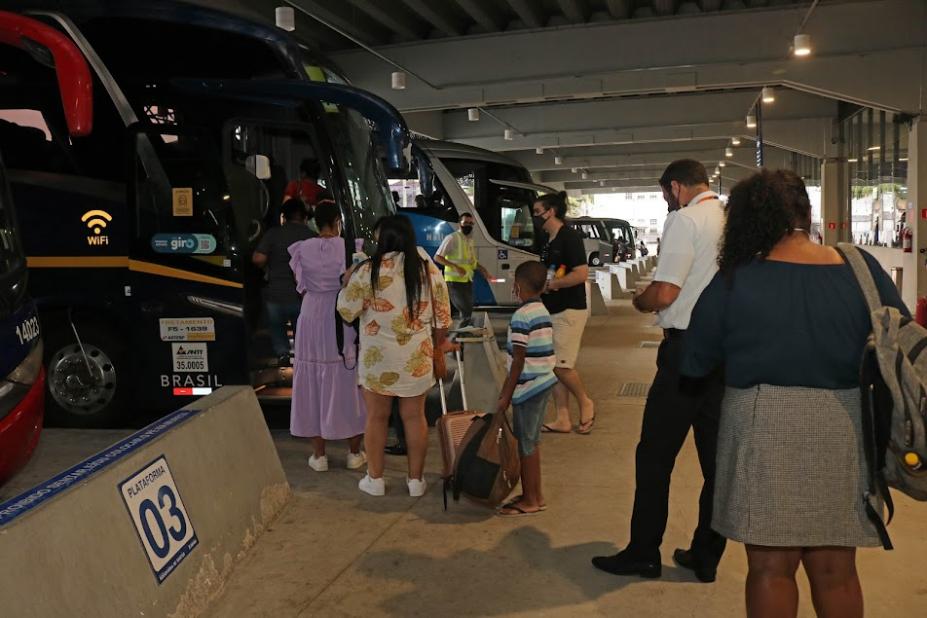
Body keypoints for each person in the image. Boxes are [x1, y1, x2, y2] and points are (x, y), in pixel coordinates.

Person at [681, 169, 907, 618]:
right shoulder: (861, 269)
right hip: (844, 426)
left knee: (769, 569)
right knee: (836, 570)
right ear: (806, 212)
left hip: (760, 425)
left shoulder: (735, 279)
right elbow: (899, 342)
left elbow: (694, 361)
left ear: (745, 220)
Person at [592, 159, 726, 582]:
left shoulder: (685, 220)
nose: (666, 202)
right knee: (716, 464)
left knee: (654, 457)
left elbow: (666, 292)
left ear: (675, 187)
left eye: (665, 195)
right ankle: (706, 555)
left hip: (685, 355)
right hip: (723, 356)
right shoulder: (727, 218)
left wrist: (639, 300)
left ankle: (643, 552)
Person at [337, 215, 455, 497]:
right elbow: (443, 320)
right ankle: (415, 481)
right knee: (414, 418)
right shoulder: (428, 269)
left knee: (376, 417)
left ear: (383, 239)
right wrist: (437, 349)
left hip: (378, 360)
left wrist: (347, 280)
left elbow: (346, 310)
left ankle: (375, 480)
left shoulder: (368, 270)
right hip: (416, 357)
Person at [288, 200, 366, 472]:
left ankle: (319, 456)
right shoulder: (350, 247)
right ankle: (354, 453)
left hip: (310, 315)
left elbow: (301, 287)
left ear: (314, 222)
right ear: (337, 221)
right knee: (346, 379)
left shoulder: (301, 249)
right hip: (340, 314)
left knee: (311, 382)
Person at [496, 261, 557, 517]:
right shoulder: (541, 310)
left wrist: (505, 396)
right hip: (542, 383)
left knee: (527, 446)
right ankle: (535, 494)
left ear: (518, 286)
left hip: (528, 388)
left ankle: (531, 499)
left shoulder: (522, 316)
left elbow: (518, 361)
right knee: (530, 443)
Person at [531, 192, 595, 435]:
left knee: (561, 365)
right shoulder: (548, 239)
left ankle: (585, 402)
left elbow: (580, 274)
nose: (535, 217)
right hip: (552, 308)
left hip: (569, 310)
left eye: (538, 212)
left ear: (551, 211)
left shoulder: (569, 237)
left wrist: (553, 285)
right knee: (553, 365)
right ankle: (563, 418)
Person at [253, 198, 316, 366]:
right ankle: (302, 356)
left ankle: (282, 354)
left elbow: (258, 258)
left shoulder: (274, 233)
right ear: (305, 217)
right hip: (302, 296)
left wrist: (268, 267)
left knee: (276, 326)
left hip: (276, 293)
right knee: (301, 328)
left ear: (284, 217)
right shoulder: (311, 237)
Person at [434, 212, 491, 327]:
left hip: (467, 281)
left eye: (471, 223)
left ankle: (460, 338)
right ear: (459, 224)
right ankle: (457, 338)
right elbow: (437, 257)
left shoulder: (469, 241)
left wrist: (482, 269)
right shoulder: (452, 238)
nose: (468, 225)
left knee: (467, 310)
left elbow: (471, 262)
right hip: (454, 282)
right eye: (466, 223)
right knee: (466, 311)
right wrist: (455, 267)